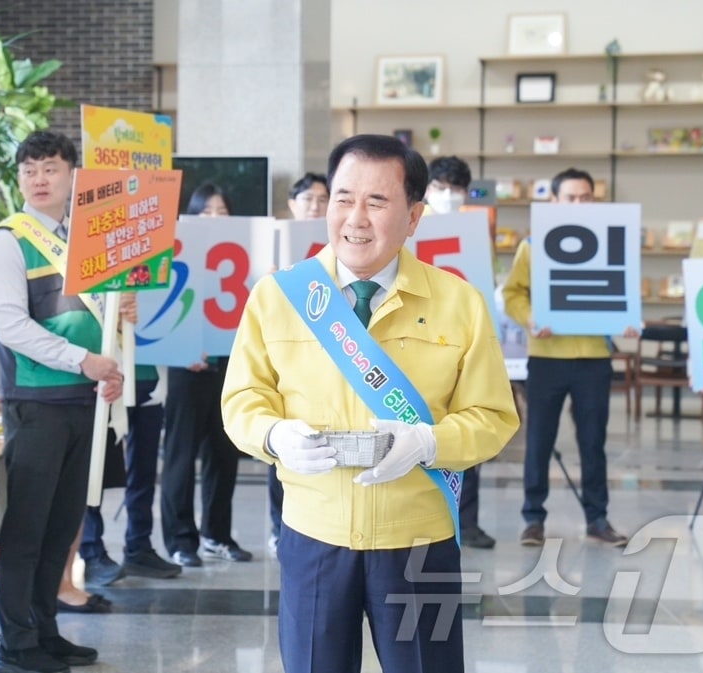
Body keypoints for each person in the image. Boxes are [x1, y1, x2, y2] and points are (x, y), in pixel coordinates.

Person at [222, 134, 519, 673]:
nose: (355, 218)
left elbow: (494, 417)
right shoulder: (279, 295)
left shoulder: (459, 302)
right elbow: (243, 397)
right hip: (314, 534)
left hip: (419, 539)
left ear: (414, 217)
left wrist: (431, 441)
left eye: (377, 202)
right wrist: (272, 436)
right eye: (343, 198)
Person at [0, 130, 124, 673]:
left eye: (51, 169)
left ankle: (45, 631)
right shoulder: (7, 241)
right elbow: (11, 326)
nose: (39, 180)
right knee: (25, 531)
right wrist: (82, 361)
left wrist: (109, 366)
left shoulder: (87, 239)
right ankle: (15, 646)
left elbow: (96, 319)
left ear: (72, 176)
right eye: (29, 170)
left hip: (84, 400)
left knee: (62, 527)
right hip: (36, 403)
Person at [502, 167, 634, 549]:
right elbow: (513, 293)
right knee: (540, 440)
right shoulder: (534, 243)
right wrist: (530, 319)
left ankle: (598, 518)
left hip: (594, 356)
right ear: (554, 202)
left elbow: (622, 290)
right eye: (570, 197)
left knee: (593, 441)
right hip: (547, 356)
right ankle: (533, 519)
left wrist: (627, 320)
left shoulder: (611, 242)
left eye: (585, 197)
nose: (578, 204)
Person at [161, 183, 253, 566]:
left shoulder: (244, 253)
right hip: (187, 367)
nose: (215, 218)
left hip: (228, 367)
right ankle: (181, 540)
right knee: (180, 457)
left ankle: (217, 533)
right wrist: (182, 347)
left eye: (221, 211)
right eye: (206, 211)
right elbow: (162, 309)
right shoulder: (177, 251)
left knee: (224, 454)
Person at [425, 155, 496, 549]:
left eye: (455, 189)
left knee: (468, 427)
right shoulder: (412, 231)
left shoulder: (476, 234)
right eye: (440, 188)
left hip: (465, 345)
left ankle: (467, 521)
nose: (448, 196)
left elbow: (488, 290)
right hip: (423, 344)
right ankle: (433, 514)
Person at [264, 172, 331, 552]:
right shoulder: (274, 243)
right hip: (285, 360)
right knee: (284, 447)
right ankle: (280, 527)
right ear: (292, 203)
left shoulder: (342, 247)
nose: (315, 206)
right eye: (308, 199)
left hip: (329, 357)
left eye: (323, 199)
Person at [79, 369, 184, 581]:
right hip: (109, 376)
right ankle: (92, 553)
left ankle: (139, 546)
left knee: (144, 470)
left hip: (151, 377)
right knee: (97, 471)